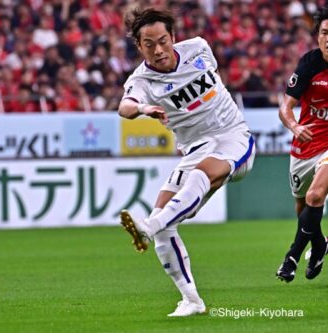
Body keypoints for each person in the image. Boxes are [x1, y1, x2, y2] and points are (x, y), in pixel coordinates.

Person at [118, 8, 256, 317]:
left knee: (195, 180)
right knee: (167, 222)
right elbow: (124, 108)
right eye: (149, 44)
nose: (158, 50)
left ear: (173, 38)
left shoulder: (199, 47)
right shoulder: (142, 80)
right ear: (139, 47)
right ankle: (191, 299)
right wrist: (142, 109)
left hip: (233, 136)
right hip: (195, 149)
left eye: (163, 41)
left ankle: (148, 227)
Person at [275, 7, 328, 283]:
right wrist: (295, 126)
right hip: (304, 147)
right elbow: (285, 107)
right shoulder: (309, 64)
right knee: (303, 210)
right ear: (318, 36)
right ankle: (320, 245)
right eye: (325, 33)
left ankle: (292, 257)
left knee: (315, 197)